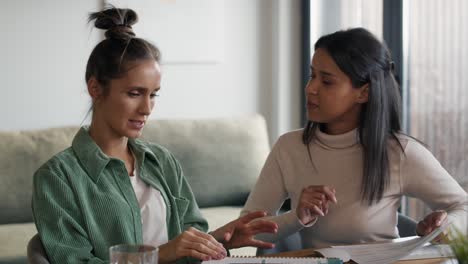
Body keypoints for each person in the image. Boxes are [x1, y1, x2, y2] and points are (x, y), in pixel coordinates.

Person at [32, 7, 277, 264]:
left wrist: (218, 240)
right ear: (95, 88)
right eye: (135, 93)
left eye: (154, 94)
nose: (147, 109)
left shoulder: (162, 160)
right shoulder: (56, 179)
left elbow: (186, 241)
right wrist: (159, 256)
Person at [242, 28, 467, 249]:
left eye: (327, 82)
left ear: (364, 93)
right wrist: (296, 217)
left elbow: (463, 206)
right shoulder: (289, 147)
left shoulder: (399, 152)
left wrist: (447, 225)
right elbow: (246, 229)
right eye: (312, 76)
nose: (310, 88)